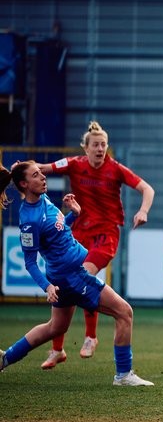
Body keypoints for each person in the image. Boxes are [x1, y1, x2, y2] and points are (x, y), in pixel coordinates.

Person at [0, 161, 153, 386]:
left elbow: (58, 230)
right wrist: (47, 287)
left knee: (56, 327)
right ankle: (123, 375)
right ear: (24, 184)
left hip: (65, 276)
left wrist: (74, 214)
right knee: (124, 313)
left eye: (41, 173)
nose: (43, 177)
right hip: (71, 277)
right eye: (36, 175)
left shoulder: (42, 199)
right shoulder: (29, 221)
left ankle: (5, 358)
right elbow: (30, 262)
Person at [36, 120, 155, 369]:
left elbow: (147, 188)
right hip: (78, 233)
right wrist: (22, 169)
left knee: (83, 276)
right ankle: (57, 349)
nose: (101, 149)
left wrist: (143, 211)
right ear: (86, 147)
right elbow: (43, 168)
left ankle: (90, 336)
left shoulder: (115, 169)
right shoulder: (74, 164)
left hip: (106, 234)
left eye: (104, 145)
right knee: (65, 284)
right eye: (96, 145)